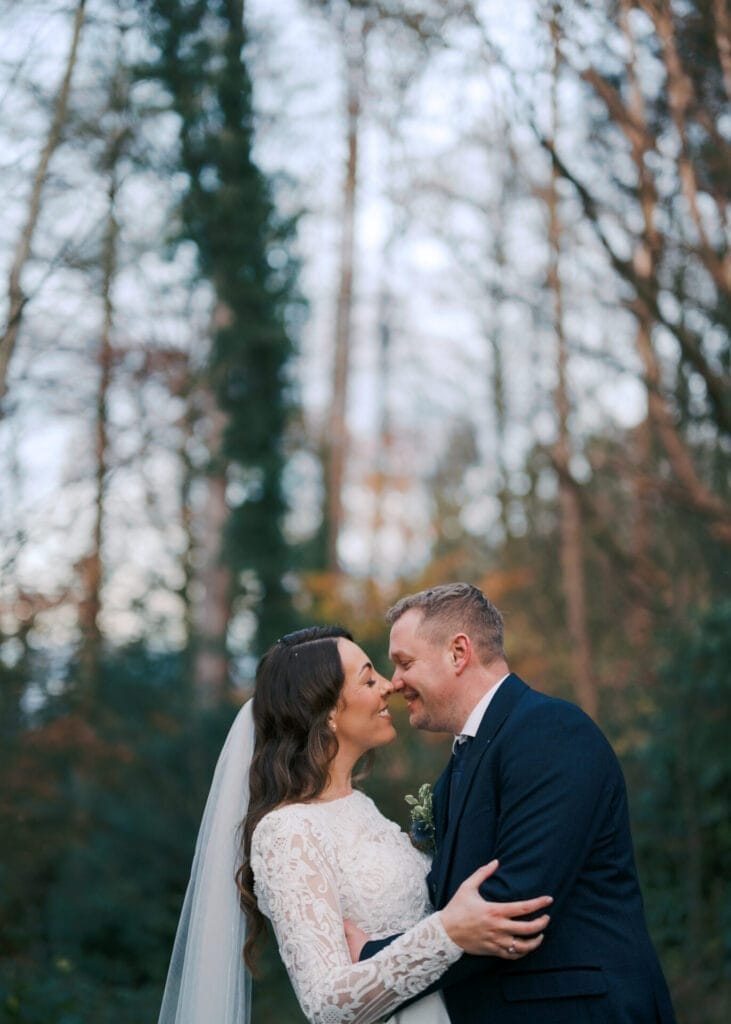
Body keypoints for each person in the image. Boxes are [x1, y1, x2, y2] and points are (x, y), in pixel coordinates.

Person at [157, 625, 552, 1024]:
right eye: (368, 678)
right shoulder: (287, 832)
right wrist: (446, 934)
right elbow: (326, 1002)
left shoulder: (360, 806)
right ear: (327, 712)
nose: (388, 686)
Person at [357, 582, 677, 1024]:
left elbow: (513, 906)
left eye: (405, 663)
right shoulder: (460, 766)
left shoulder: (550, 732)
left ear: (458, 652)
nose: (395, 683)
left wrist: (374, 961)